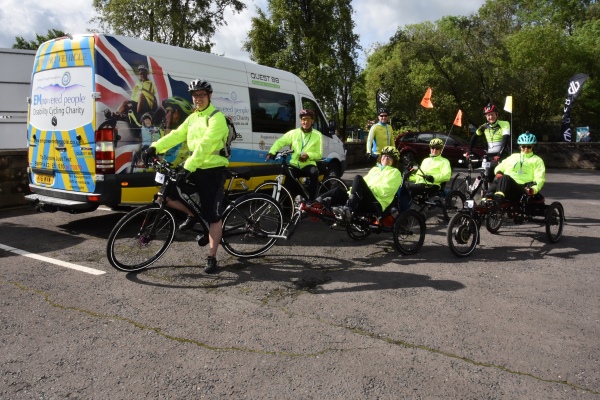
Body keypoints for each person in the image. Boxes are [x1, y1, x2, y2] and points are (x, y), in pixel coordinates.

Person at [142, 79, 229, 274]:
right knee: (168, 195)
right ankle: (194, 215)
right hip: (195, 166)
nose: (198, 99)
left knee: (214, 216)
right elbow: (176, 135)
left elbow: (205, 145)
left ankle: (212, 256)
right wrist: (154, 147)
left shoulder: (216, 118)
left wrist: (188, 166)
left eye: (202, 95)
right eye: (195, 95)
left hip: (213, 170)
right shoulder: (192, 118)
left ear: (209, 96)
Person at [324, 146, 402, 221]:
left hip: (376, 203)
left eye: (389, 157)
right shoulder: (375, 169)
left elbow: (385, 191)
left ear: (394, 160)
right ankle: (317, 203)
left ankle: (349, 209)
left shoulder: (395, 173)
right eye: (384, 156)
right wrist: (350, 192)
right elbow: (364, 183)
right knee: (338, 191)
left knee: (358, 178)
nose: (386, 158)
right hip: (364, 198)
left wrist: (366, 189)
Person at [266, 109, 323, 201]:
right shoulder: (293, 133)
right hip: (294, 164)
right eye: (304, 119)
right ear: (300, 121)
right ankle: (286, 209)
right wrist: (272, 152)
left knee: (314, 173)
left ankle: (312, 200)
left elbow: (319, 154)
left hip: (308, 164)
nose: (306, 122)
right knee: (287, 186)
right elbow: (280, 142)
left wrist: (308, 155)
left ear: (312, 121)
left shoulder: (317, 135)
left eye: (308, 119)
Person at [486, 132, 546, 206]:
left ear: (533, 146)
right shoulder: (513, 156)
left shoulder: (537, 160)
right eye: (523, 146)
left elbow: (539, 178)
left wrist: (533, 189)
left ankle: (498, 199)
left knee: (505, 177)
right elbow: (501, 166)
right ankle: (484, 202)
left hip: (521, 189)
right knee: (496, 182)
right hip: (505, 185)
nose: (526, 149)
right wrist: (498, 172)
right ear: (520, 147)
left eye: (529, 147)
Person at [467, 103, 511, 181]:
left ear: (497, 114)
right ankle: (487, 191)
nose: (490, 117)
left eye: (492, 114)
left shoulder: (504, 124)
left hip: (503, 154)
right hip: (490, 155)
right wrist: (469, 151)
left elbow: (506, 139)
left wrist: (499, 154)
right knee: (487, 177)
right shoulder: (484, 126)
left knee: (501, 177)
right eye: (488, 115)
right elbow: (474, 137)